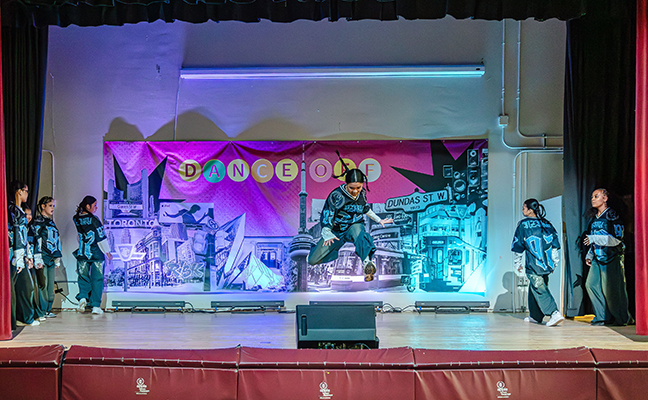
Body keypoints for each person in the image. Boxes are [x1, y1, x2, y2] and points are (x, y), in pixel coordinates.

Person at [308, 155, 393, 282]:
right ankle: (314, 251)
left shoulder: (362, 194)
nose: (355, 191)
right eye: (351, 188)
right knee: (312, 260)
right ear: (346, 184)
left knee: (360, 234)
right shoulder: (337, 195)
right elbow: (327, 213)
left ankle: (367, 263)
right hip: (336, 231)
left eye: (358, 187)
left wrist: (378, 220)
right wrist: (326, 231)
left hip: (354, 226)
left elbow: (365, 209)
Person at [511, 198, 565, 327]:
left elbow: (518, 244)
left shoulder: (523, 225)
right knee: (536, 286)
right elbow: (555, 245)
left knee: (539, 288)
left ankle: (554, 313)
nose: (522, 210)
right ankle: (535, 316)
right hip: (546, 263)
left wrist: (517, 263)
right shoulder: (547, 224)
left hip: (534, 263)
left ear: (530, 210)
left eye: (524, 208)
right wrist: (555, 262)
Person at [583, 188, 632, 326]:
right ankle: (602, 316)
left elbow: (616, 239)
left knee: (612, 289)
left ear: (605, 198)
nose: (593, 199)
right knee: (591, 284)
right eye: (592, 197)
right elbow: (592, 239)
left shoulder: (612, 216)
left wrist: (594, 238)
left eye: (596, 196)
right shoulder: (594, 219)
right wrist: (590, 254)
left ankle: (622, 318)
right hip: (597, 257)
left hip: (612, 257)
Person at [73, 195, 113, 315]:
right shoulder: (94, 219)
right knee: (97, 279)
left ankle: (83, 298)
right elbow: (101, 237)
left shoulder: (76, 218)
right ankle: (96, 306)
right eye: (94, 205)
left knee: (83, 277)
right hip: (96, 254)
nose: (96, 208)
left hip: (82, 253)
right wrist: (107, 252)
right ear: (88, 206)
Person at [7, 180, 38, 327]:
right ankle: (13, 320)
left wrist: (28, 255)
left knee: (27, 287)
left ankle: (24, 317)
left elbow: (23, 236)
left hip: (21, 255)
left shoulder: (19, 211)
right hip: (13, 256)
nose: (27, 194)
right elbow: (15, 235)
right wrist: (18, 257)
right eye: (26, 191)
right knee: (13, 289)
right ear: (19, 191)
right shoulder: (12, 210)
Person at [31, 196, 62, 318]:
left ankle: (48, 309)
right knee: (43, 285)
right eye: (50, 205)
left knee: (50, 287)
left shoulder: (51, 222)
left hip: (51, 257)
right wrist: (37, 258)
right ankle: (42, 311)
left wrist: (57, 259)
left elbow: (57, 240)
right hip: (42, 257)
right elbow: (36, 241)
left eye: (53, 206)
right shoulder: (37, 222)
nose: (52, 208)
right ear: (43, 206)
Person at [23, 204, 47, 322]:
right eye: (26, 214)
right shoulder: (20, 228)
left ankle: (36, 313)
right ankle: (29, 315)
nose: (29, 217)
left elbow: (37, 245)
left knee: (35, 287)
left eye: (30, 214)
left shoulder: (31, 229)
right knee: (28, 289)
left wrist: (38, 260)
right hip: (23, 262)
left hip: (32, 262)